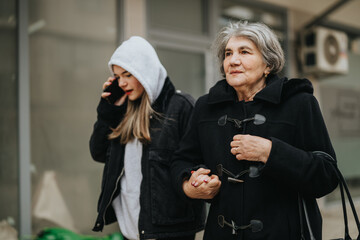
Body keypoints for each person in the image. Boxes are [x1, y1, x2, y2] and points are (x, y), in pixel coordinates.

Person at [170, 21, 339, 239]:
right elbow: (181, 160)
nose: (233, 60)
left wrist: (270, 152)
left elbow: (327, 175)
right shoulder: (206, 107)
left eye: (244, 52)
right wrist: (189, 185)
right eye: (228, 53)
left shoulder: (299, 103)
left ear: (268, 64)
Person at [89, 36, 206, 240]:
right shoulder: (122, 110)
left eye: (127, 74)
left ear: (146, 72)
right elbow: (98, 153)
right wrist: (108, 110)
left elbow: (197, 162)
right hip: (131, 231)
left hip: (170, 232)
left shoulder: (181, 107)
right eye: (117, 77)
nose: (122, 82)